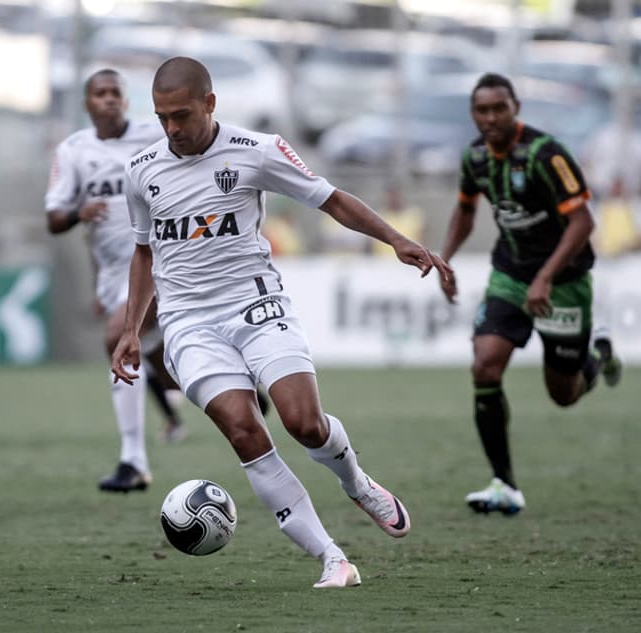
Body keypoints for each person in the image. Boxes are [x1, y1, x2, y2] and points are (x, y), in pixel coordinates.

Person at [111, 57, 452, 589]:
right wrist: (132, 327)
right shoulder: (141, 171)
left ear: (210, 103)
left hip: (254, 303)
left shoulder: (257, 151)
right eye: (161, 118)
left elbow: (331, 199)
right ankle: (333, 558)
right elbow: (142, 253)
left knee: (303, 422)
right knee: (246, 431)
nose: (172, 128)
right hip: (188, 325)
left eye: (181, 115)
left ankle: (358, 484)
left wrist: (397, 240)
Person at [438, 73, 623, 515]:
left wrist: (545, 277)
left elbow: (584, 223)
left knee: (564, 393)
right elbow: (465, 211)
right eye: (482, 110)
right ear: (473, 114)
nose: (491, 117)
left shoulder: (546, 154)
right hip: (510, 275)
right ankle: (504, 483)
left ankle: (597, 350)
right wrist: (444, 259)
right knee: (484, 365)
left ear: (515, 107)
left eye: (499, 108)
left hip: (563, 281)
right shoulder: (476, 157)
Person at [45, 68, 188, 493]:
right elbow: (54, 219)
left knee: (117, 340)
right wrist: (77, 214)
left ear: (128, 100)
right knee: (162, 361)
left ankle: (133, 461)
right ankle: (242, 384)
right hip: (112, 277)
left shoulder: (155, 138)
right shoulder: (73, 151)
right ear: (88, 103)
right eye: (100, 93)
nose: (108, 99)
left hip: (163, 263)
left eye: (116, 93)